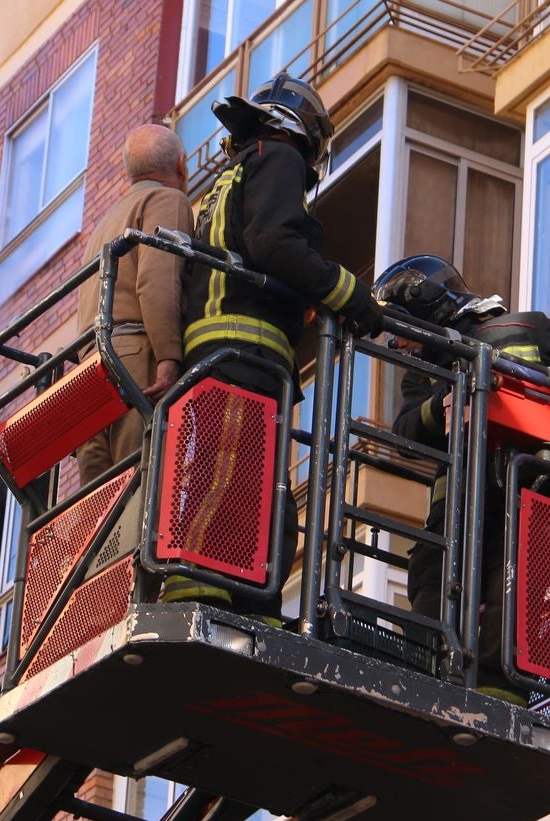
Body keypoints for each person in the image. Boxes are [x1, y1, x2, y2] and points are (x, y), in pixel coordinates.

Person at [161, 73, 386, 623]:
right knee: (242, 476)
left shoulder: (229, 177)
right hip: (247, 346)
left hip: (216, 345)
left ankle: (237, 592)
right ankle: (212, 584)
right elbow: (274, 242)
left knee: (236, 474)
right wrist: (348, 291)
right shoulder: (279, 157)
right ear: (304, 133)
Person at [380, 254, 550, 705]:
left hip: (526, 489)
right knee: (430, 577)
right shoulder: (424, 371)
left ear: (428, 306)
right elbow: (404, 432)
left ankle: (500, 689)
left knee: (509, 576)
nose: (398, 343)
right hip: (456, 505)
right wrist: (441, 406)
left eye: (401, 327)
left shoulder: (523, 328)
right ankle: (423, 675)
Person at [75, 124, 194, 485]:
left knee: (102, 509)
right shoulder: (166, 201)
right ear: (182, 165)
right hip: (135, 359)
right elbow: (157, 282)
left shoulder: (102, 225)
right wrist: (169, 358)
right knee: (142, 491)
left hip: (90, 371)